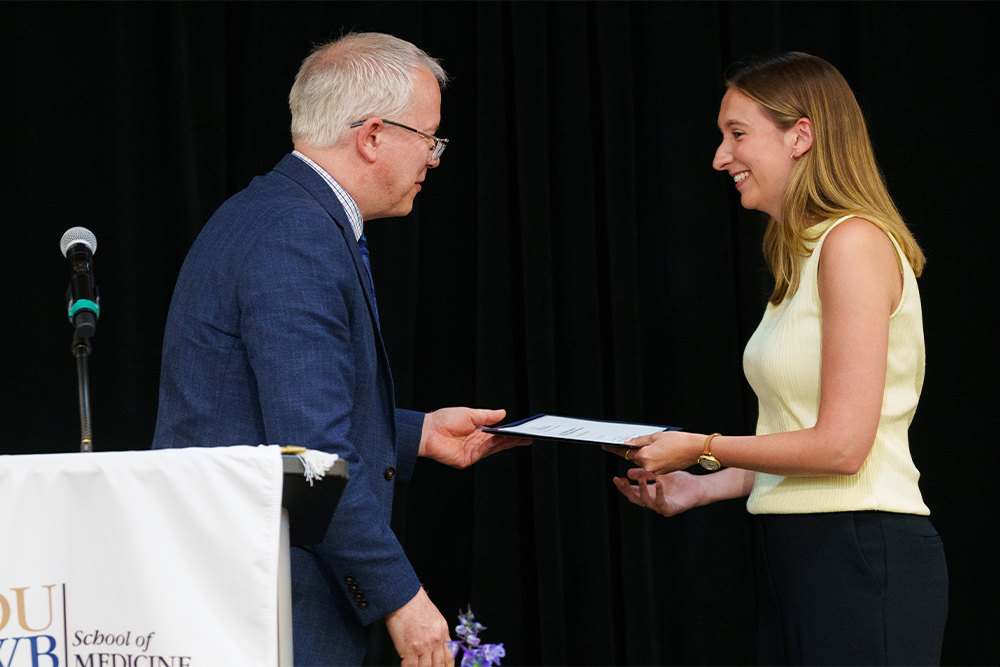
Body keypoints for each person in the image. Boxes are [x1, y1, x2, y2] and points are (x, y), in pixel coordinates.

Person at [153, 32, 524, 667]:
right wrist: (402, 599)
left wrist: (417, 434)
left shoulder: (271, 212)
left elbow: (261, 408)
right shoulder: (297, 236)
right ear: (373, 135)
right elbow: (310, 457)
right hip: (267, 599)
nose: (434, 159)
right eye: (429, 139)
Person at [606, 52, 948, 665]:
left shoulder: (853, 243)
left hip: (860, 550)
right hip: (802, 551)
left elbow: (843, 448)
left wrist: (701, 445)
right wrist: (698, 487)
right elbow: (802, 440)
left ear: (802, 136)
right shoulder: (805, 256)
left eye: (737, 134)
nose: (720, 157)